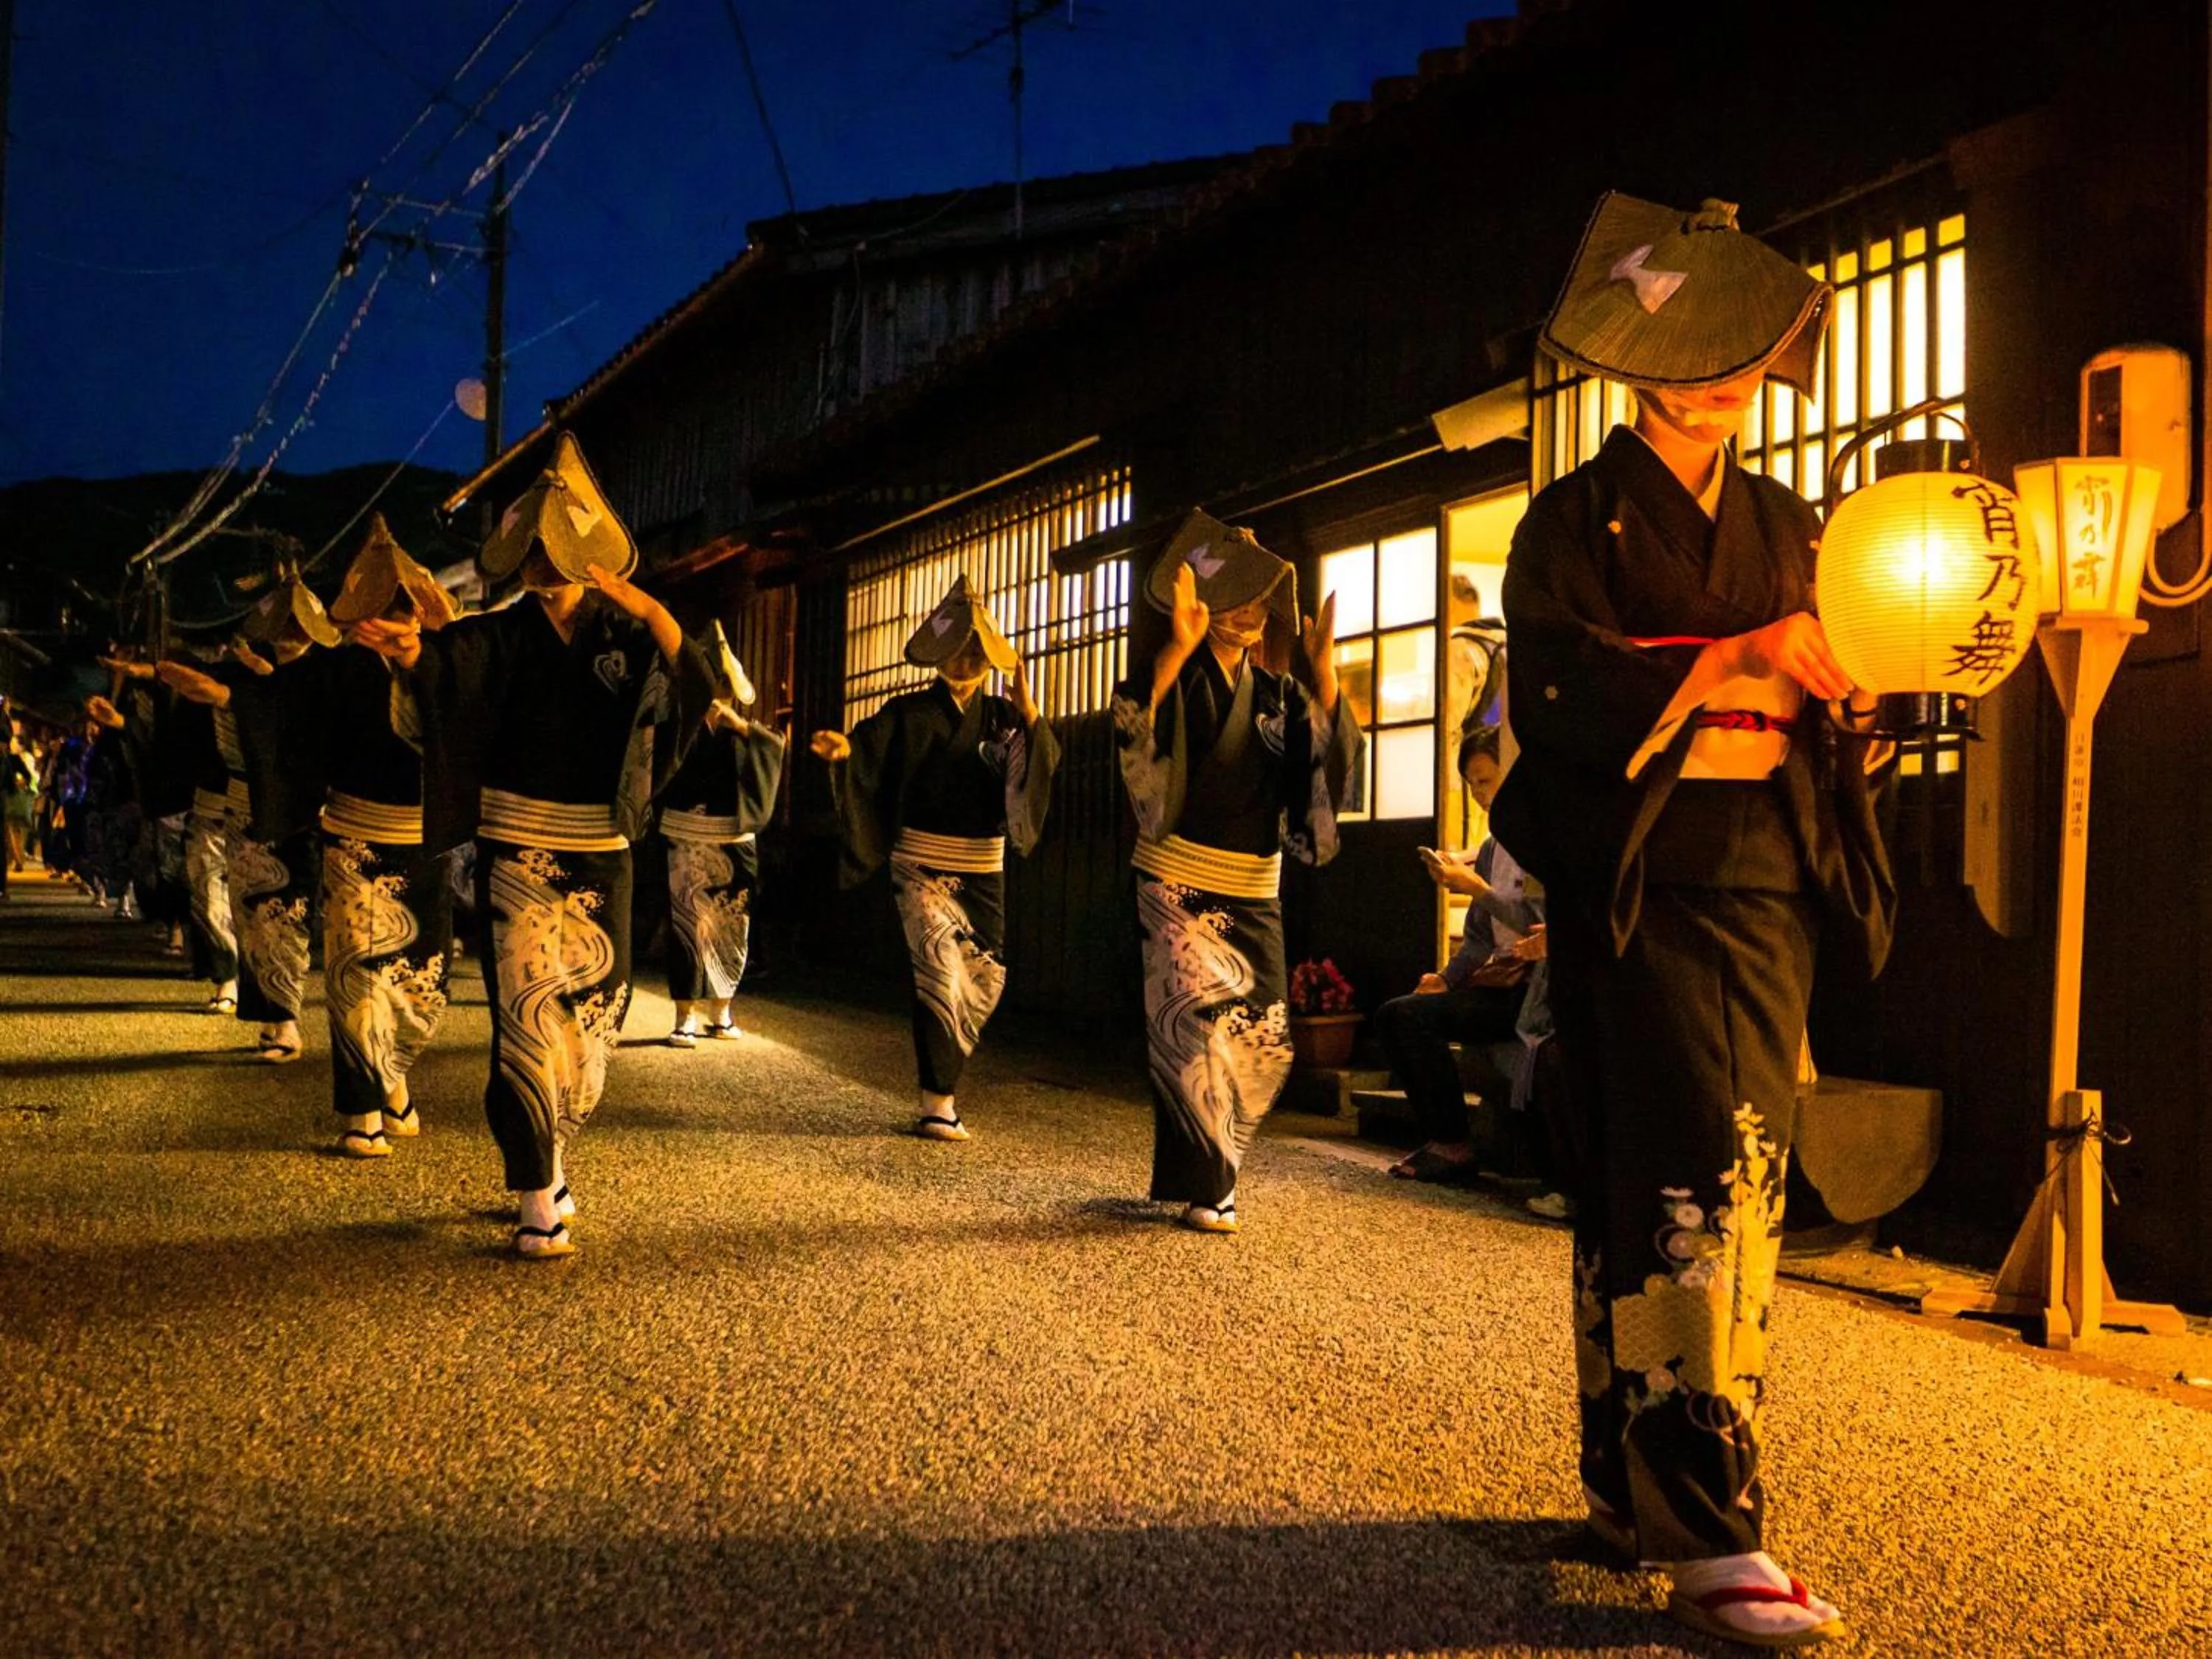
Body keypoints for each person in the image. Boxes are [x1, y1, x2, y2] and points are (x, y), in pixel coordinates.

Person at [1491, 192, 1896, 1648]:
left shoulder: (1792, 521)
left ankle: (1633, 1493)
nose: (1719, 373)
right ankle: (1711, 1532)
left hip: (1764, 869)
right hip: (1645, 873)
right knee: (1669, 1179)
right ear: (1635, 361)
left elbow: (1836, 683)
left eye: (1742, 347)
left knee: (1726, 1175)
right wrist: (1730, 653)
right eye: (1691, 345)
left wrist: (1845, 676)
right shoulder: (1569, 521)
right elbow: (1551, 693)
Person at [351, 434, 709, 1259]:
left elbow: (689, 694)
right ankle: (534, 1195)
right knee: (524, 1020)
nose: (546, 566)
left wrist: (654, 611)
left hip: (602, 849)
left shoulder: (626, 632)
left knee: (592, 1019)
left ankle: (551, 1153)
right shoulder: (501, 634)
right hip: (519, 848)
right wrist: (412, 655)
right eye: (536, 553)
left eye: (558, 550)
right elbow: (446, 668)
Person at [1112, 510, 1363, 1233]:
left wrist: (1325, 678)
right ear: (1209, 604)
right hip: (1178, 882)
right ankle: (1213, 1185)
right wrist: (1177, 647)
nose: (1253, 611)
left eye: (1262, 599)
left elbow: (1326, 776)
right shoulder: (1179, 677)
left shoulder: (1281, 695)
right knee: (1195, 1030)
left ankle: (1208, 1173)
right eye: (1238, 597)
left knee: (1260, 1033)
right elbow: (1134, 724)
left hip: (1254, 886)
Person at [809, 576, 1057, 1140]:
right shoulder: (909, 711)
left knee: (984, 977)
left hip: (983, 866)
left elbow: (1038, 767)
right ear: (941, 651)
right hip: (922, 865)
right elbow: (866, 747)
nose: (968, 658)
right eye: (960, 646)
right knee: (938, 975)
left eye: (978, 648)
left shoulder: (1003, 717)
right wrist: (844, 750)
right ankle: (937, 1101)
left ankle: (942, 1088)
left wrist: (1032, 716)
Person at [316, 516, 464, 1158]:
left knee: (416, 979)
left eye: (404, 607)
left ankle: (394, 1082)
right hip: (353, 836)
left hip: (425, 838)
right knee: (357, 976)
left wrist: (423, 656)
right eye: (384, 606)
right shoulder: (335, 670)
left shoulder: (445, 664)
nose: (393, 618)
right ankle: (360, 1111)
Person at [153, 573, 342, 1062]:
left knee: (284, 917)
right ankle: (275, 1019)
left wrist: (228, 699)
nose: (289, 632)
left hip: (297, 812)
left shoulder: (328, 675)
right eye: (283, 622)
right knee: (253, 917)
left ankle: (286, 1023)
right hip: (242, 810)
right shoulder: (250, 679)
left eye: (297, 624)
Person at [1373, 725, 1539, 1183]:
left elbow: (1545, 929)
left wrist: (1478, 890)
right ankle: (1449, 1142)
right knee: (1401, 1014)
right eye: (1472, 785)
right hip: (1503, 984)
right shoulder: (1491, 847)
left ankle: (1453, 1147)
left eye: (1486, 781)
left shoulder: (1543, 842)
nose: (1480, 795)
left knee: (1412, 1018)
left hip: (1539, 990)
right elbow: (1480, 941)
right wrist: (1445, 980)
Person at [659, 623, 785, 1048]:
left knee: (732, 924)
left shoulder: (748, 731)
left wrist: (742, 727)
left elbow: (775, 748)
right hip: (687, 835)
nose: (719, 697)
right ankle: (685, 1016)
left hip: (734, 839)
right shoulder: (678, 725)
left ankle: (722, 1012)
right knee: (688, 925)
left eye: (725, 688)